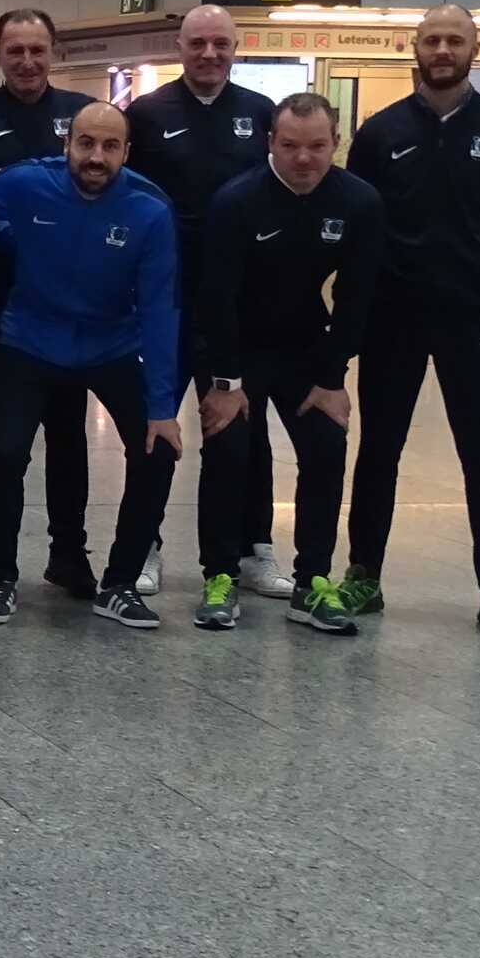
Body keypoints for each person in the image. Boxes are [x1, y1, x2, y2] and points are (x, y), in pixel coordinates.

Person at [340, 6, 480, 638]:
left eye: (456, 40)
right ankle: (363, 575)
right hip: (393, 317)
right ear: (416, 48)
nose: (444, 49)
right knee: (379, 450)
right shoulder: (380, 133)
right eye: (433, 40)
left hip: (474, 318)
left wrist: (477, 271)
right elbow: (360, 218)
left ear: (475, 49)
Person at [0, 102, 182, 630]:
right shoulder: (26, 183)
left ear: (126, 152)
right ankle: (0, 577)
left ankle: (120, 584)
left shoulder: (150, 209)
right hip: (31, 341)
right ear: (67, 144)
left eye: (110, 146)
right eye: (86, 143)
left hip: (111, 347)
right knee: (3, 452)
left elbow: (160, 310)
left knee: (157, 449)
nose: (96, 156)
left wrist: (163, 408)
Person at [191, 93, 380, 635]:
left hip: (305, 348)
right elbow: (217, 299)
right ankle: (220, 577)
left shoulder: (360, 202)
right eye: (291, 145)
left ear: (335, 144)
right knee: (228, 448)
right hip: (237, 348)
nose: (303, 158)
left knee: (327, 445)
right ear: (270, 142)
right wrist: (225, 383)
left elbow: (357, 297)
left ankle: (312, 583)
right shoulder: (237, 200)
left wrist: (333, 378)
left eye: (317, 146)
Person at [125, 4, 280, 600]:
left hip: (238, 307)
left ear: (236, 48)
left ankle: (251, 548)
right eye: (198, 43)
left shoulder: (259, 113)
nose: (210, 54)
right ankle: (144, 545)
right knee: (153, 426)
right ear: (180, 47)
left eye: (221, 43)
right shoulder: (147, 114)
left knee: (242, 430)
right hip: (166, 301)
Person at [0, 9, 96, 597]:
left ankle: (69, 551)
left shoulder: (81, 115)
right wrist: (57, 222)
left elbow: (100, 195)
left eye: (37, 50)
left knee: (66, 429)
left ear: (53, 51)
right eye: (16, 50)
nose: (28, 61)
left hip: (68, 302)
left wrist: (26, 202)